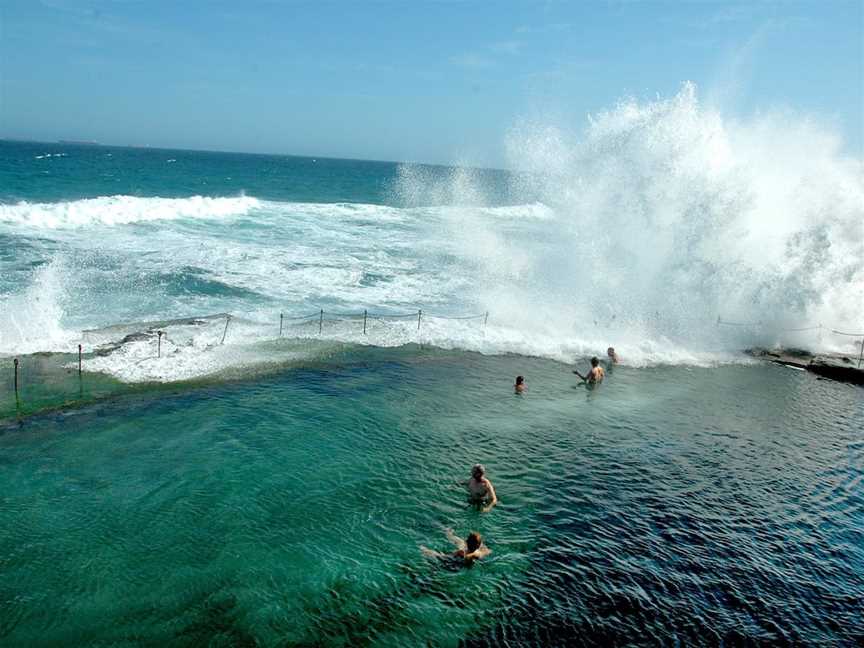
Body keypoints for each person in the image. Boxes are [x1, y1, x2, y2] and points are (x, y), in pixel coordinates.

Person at [421, 529, 491, 566]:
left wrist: (461, 554)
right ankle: (449, 535)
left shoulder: (474, 553)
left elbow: (469, 556)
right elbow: (488, 551)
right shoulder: (479, 551)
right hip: (461, 560)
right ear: (479, 545)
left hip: (456, 564)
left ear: (467, 541)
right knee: (460, 543)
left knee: (440, 556)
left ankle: (425, 550)